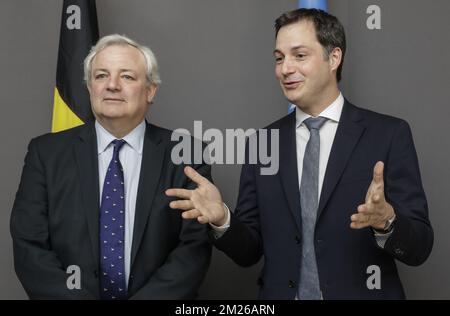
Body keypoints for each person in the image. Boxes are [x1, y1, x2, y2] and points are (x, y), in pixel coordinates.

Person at [166, 9, 433, 299]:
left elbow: (419, 247)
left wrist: (386, 222)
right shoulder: (262, 143)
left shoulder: (388, 135)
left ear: (334, 58)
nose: (285, 68)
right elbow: (249, 251)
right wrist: (223, 220)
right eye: (279, 58)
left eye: (299, 55)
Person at [10, 34, 211, 299]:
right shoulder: (45, 154)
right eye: (101, 75)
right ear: (89, 87)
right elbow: (29, 248)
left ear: (151, 90)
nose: (112, 85)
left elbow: (192, 250)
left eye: (127, 76)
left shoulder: (187, 155)